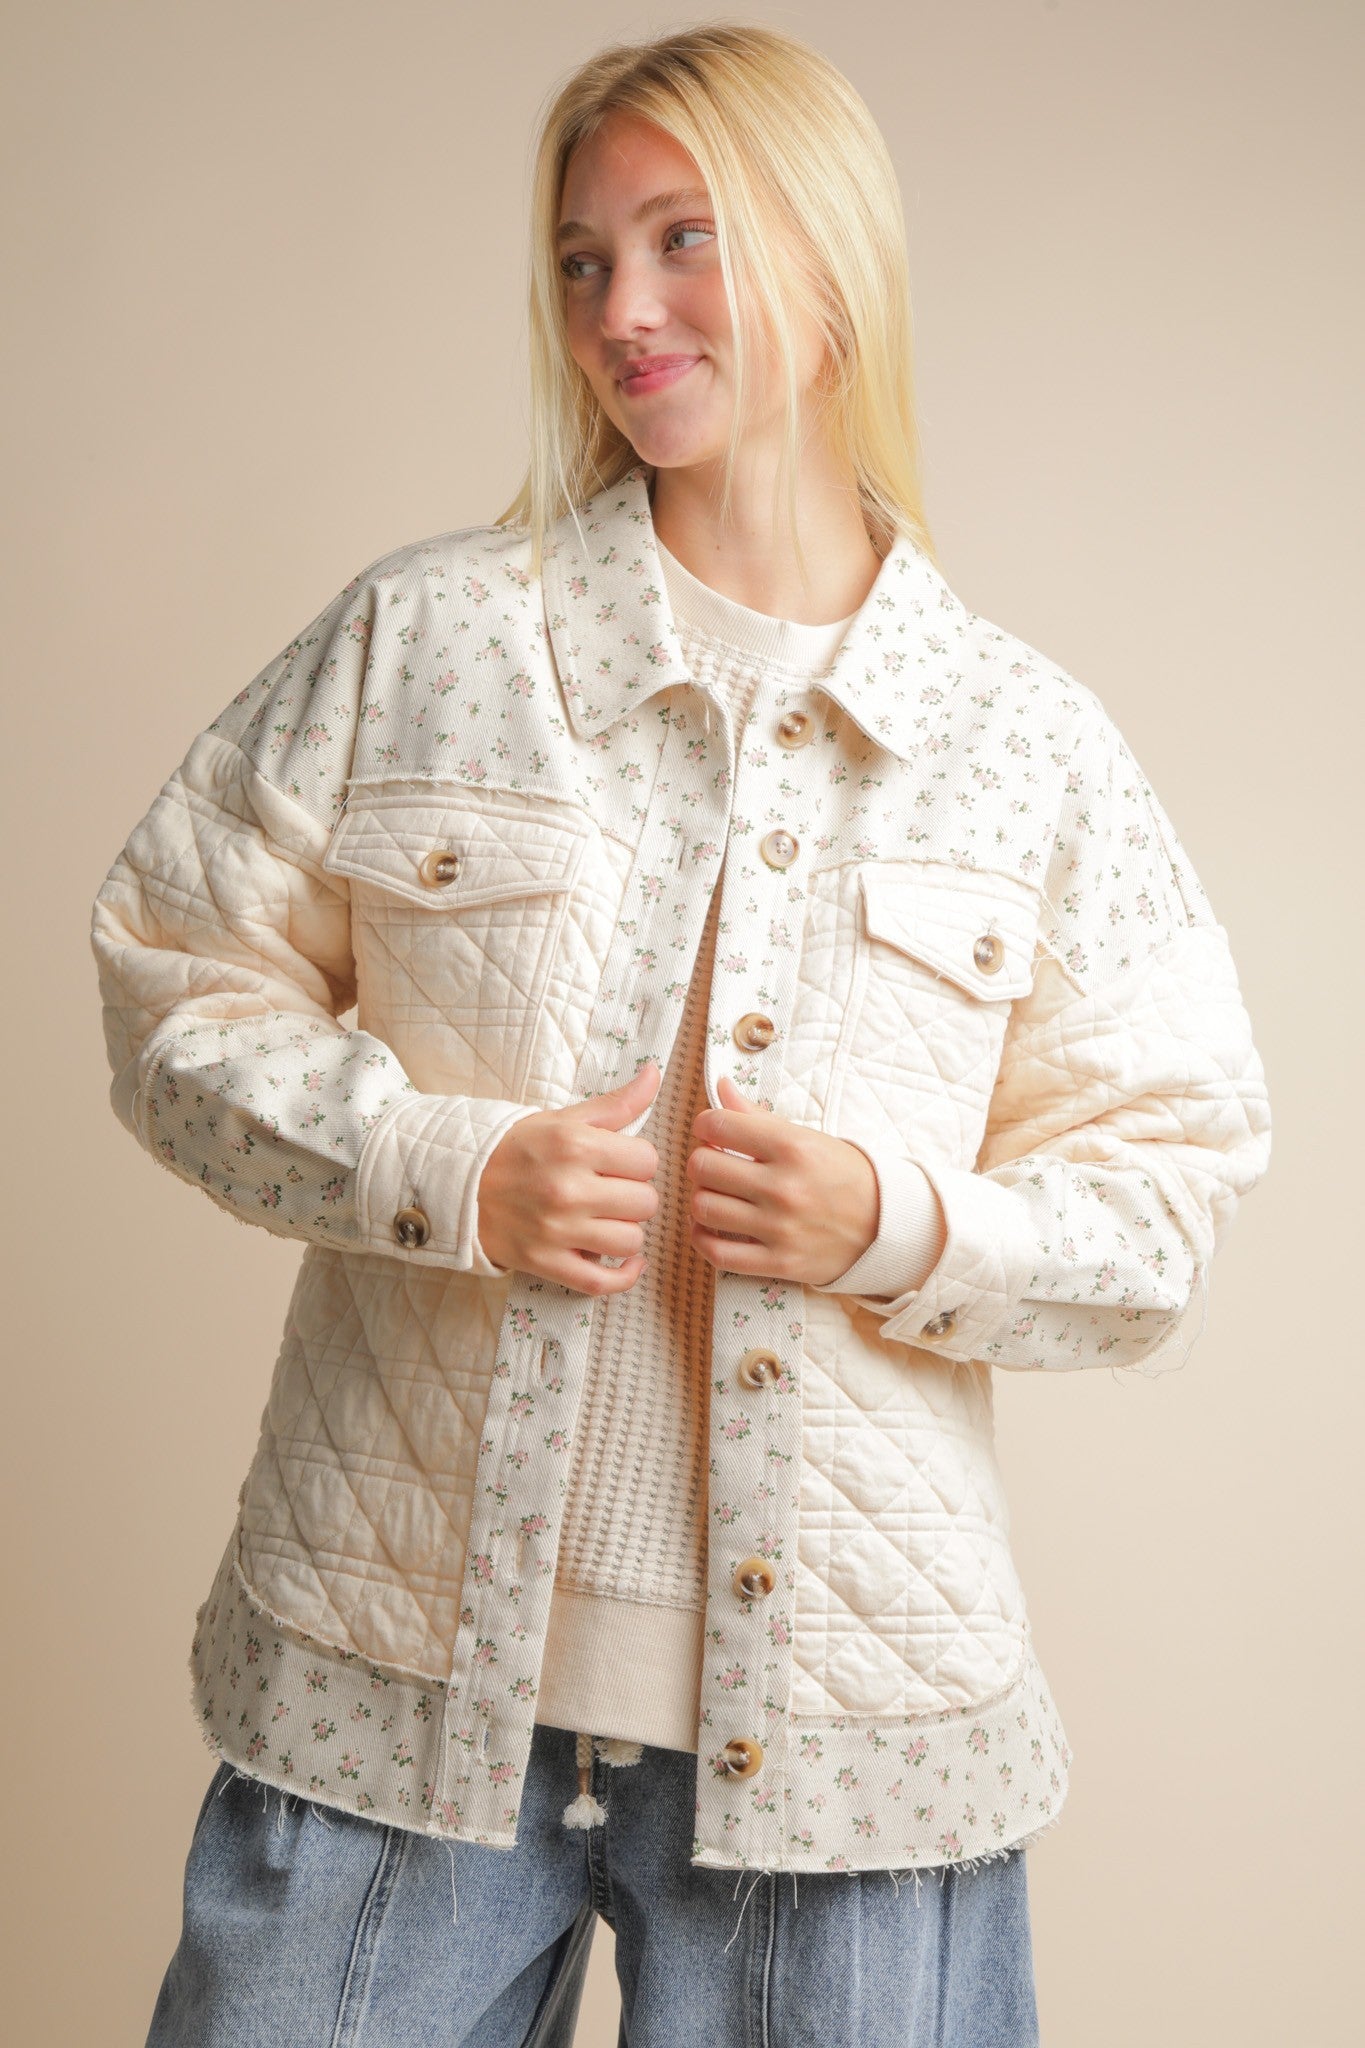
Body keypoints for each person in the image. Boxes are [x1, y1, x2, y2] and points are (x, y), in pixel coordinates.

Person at [90, 22, 1272, 2048]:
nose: (618, 311)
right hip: (394, 1691)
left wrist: (897, 1225)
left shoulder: (1024, 743)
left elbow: (1163, 1205)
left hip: (847, 1739)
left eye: (677, 240)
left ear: (829, 265)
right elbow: (168, 978)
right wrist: (447, 1167)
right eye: (579, 261)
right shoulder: (429, 639)